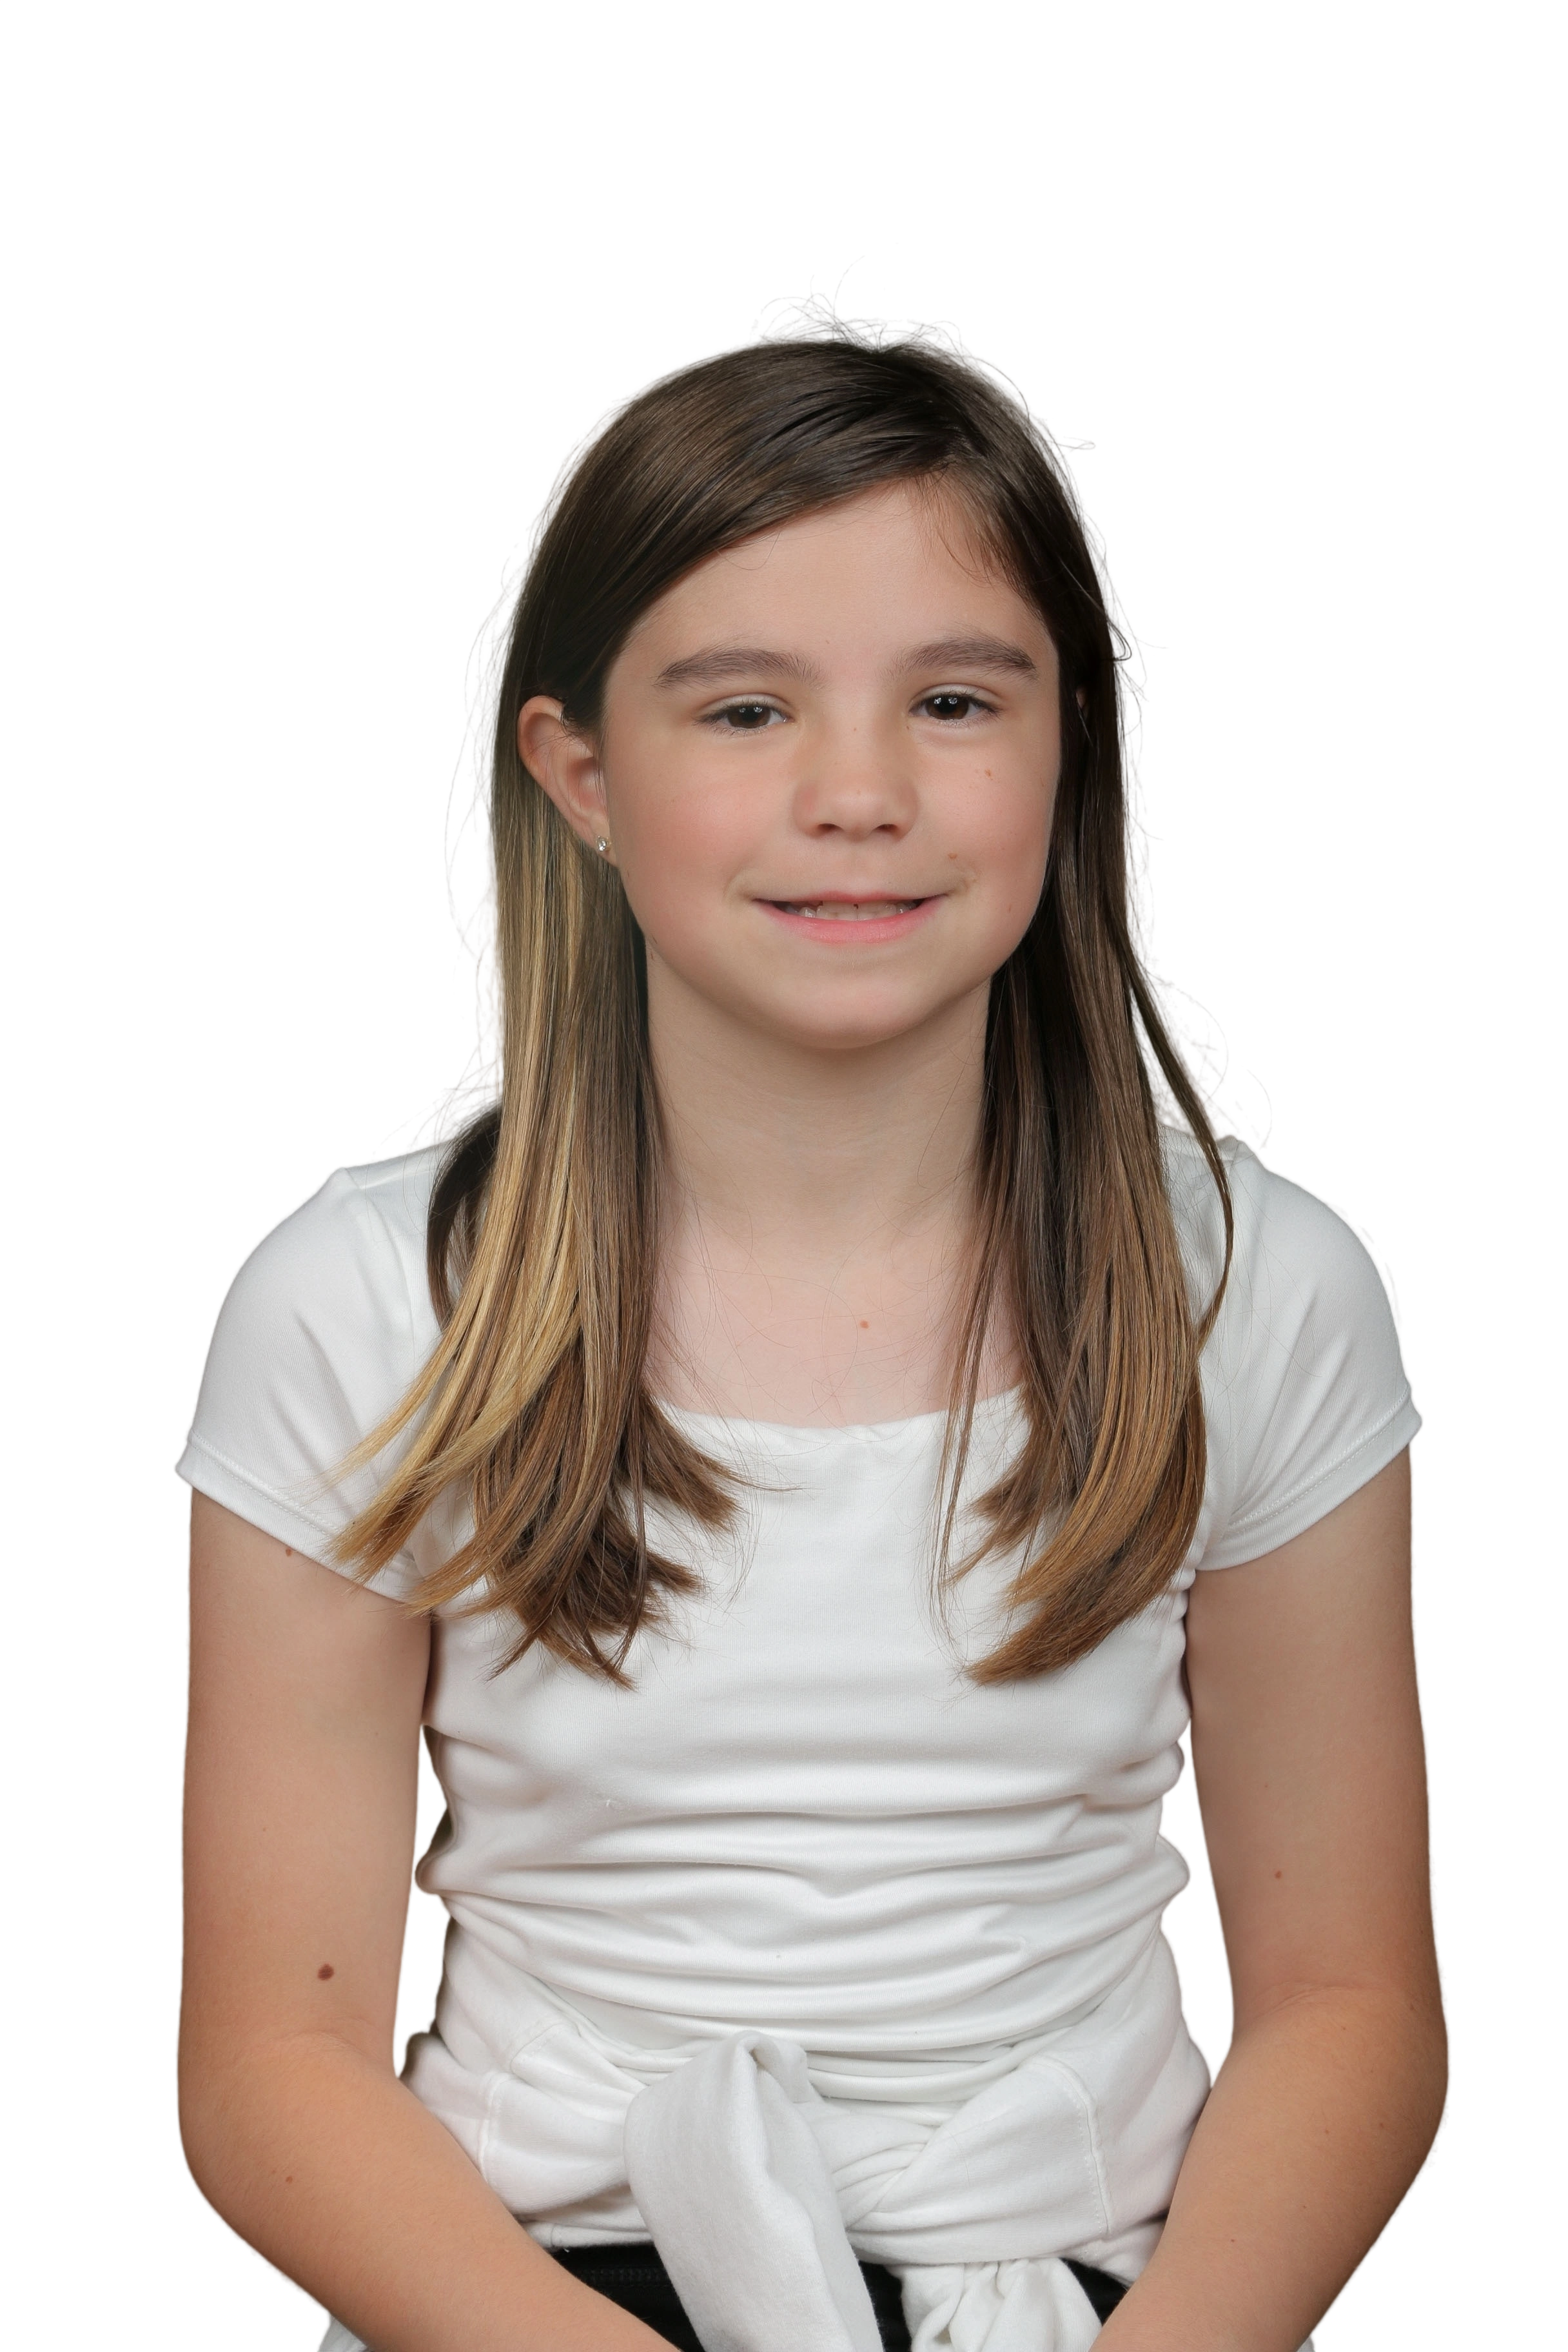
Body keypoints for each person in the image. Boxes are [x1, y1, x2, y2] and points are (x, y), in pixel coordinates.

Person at [172, 288, 1451, 2352]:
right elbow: (272, 2065)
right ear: (580, 773)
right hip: (523, 2303)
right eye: (745, 710)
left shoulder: (1260, 1291)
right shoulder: (361, 1307)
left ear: (1070, 744)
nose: (859, 792)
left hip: (1093, 2295)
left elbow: (1355, 2007)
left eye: (952, 699)